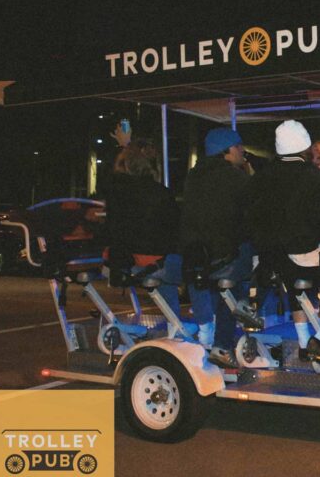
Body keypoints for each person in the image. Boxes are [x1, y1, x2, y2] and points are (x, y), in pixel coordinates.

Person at [247, 120, 320, 374]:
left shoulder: (262, 178)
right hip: (305, 254)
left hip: (274, 260)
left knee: (296, 287)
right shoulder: (316, 178)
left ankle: (305, 344)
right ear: (305, 146)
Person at [180, 128, 253, 367]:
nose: (243, 150)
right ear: (226, 151)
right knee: (243, 274)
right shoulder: (236, 178)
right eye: (239, 146)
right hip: (225, 255)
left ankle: (207, 333)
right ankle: (224, 342)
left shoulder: (193, 177)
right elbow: (250, 215)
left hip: (198, 255)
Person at [103, 150, 185, 320]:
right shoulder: (161, 193)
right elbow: (174, 228)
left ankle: (176, 323)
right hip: (157, 261)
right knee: (197, 269)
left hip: (127, 261)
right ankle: (201, 324)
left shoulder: (118, 194)